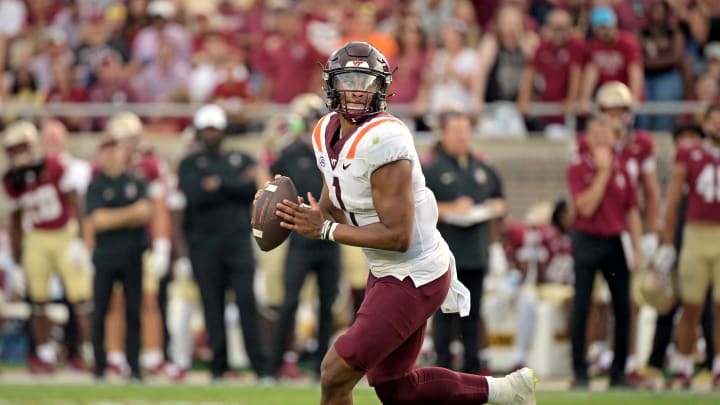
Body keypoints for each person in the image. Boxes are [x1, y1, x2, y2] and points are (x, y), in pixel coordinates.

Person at [272, 41, 536, 405]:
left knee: (334, 373)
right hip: (387, 270)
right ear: (331, 84)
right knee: (396, 388)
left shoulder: (385, 139)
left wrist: (325, 230)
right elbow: (334, 202)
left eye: (365, 82)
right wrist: (296, 214)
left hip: (415, 271)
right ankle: (507, 392)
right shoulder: (324, 131)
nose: (356, 91)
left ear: (381, 89)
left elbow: (398, 236)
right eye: (348, 79)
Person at [175, 104, 268, 381]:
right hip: (203, 244)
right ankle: (219, 367)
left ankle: (260, 367)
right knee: (211, 305)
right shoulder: (189, 163)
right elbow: (195, 195)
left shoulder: (241, 158)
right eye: (206, 130)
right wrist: (232, 185)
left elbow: (250, 189)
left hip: (238, 242)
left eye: (215, 129)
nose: (211, 134)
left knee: (247, 303)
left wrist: (219, 185)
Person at [2, 121, 93, 374]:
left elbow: (76, 201)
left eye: (21, 147)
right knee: (37, 299)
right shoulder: (12, 179)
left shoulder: (53, 166)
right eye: (12, 149)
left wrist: (81, 239)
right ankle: (43, 353)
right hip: (37, 237)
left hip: (64, 232)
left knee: (81, 296)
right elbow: (16, 219)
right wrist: (16, 257)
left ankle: (88, 350)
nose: (17, 154)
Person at [423, 109, 507, 374]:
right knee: (445, 316)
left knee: (473, 313)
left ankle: (472, 368)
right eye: (455, 131)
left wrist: (490, 207)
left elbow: (501, 201)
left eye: (464, 130)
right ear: (444, 134)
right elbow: (420, 207)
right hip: (444, 256)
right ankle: (443, 367)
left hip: (476, 252)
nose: (461, 137)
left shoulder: (483, 168)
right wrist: (449, 209)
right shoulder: (432, 170)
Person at [268, 94, 341, 380]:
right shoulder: (291, 154)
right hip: (299, 239)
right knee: (289, 303)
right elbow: (271, 185)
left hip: (328, 238)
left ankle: (322, 367)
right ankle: (273, 366)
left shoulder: (334, 155)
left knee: (327, 305)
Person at [567, 116, 642, 389]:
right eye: (595, 132)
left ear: (614, 135)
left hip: (616, 242)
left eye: (606, 132)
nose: (600, 137)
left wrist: (637, 247)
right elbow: (585, 207)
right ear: (586, 136)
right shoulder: (578, 166)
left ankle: (619, 372)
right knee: (582, 305)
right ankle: (580, 371)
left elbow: (631, 209)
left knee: (623, 308)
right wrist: (603, 172)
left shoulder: (626, 166)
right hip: (588, 239)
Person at [100, 112, 171, 376]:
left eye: (130, 139)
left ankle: (153, 356)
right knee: (115, 300)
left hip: (144, 242)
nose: (126, 146)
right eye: (122, 140)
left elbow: (160, 207)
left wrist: (162, 243)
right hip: (113, 243)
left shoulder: (149, 165)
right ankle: (116, 356)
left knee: (148, 300)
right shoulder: (104, 167)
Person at [654, 104, 720, 389]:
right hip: (695, 233)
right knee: (691, 305)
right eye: (713, 120)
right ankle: (683, 363)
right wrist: (667, 243)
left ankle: (717, 364)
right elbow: (673, 200)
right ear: (704, 123)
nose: (717, 125)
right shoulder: (689, 153)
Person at [84, 133, 152, 381]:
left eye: (115, 149)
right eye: (106, 150)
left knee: (133, 312)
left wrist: (113, 216)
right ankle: (100, 367)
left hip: (133, 255)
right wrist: (129, 214)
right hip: (105, 256)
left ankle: (134, 366)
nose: (111, 155)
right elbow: (98, 220)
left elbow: (146, 211)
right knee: (100, 310)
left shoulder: (136, 180)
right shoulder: (95, 185)